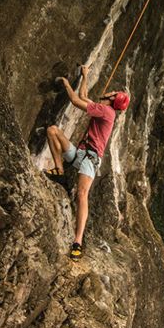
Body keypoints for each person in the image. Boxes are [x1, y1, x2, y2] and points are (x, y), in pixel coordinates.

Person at [42, 64, 129, 259]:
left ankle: (77, 242)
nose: (110, 91)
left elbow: (74, 100)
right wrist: (85, 76)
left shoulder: (107, 112)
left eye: (113, 93)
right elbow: (83, 96)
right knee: (52, 131)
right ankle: (59, 172)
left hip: (90, 159)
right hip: (80, 154)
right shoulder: (102, 109)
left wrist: (65, 83)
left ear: (112, 99)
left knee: (82, 195)